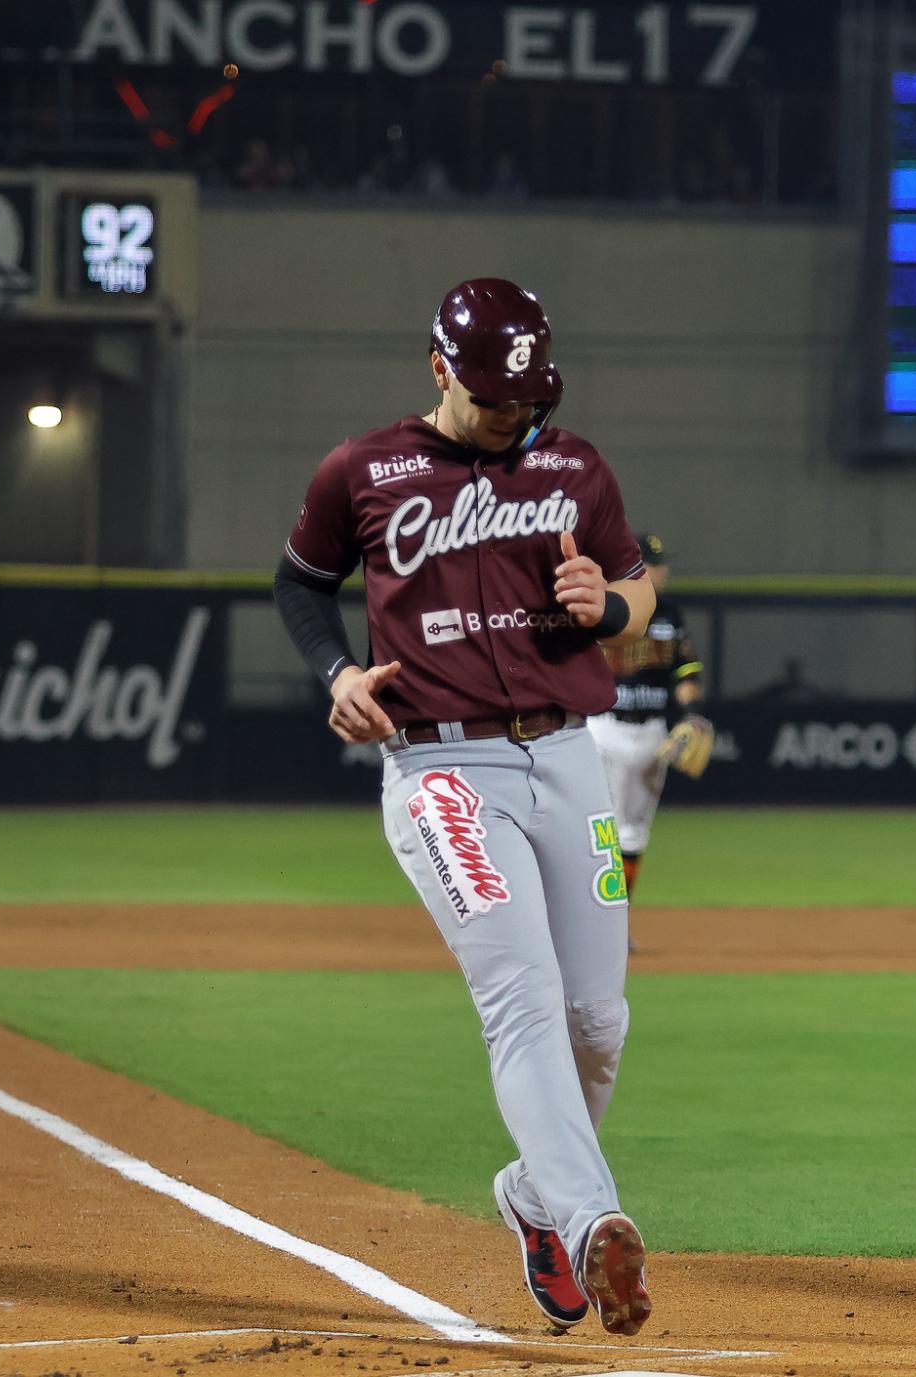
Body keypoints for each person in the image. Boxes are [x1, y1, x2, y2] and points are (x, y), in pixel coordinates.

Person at [271, 278, 657, 1337]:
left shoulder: (573, 464)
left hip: (570, 758)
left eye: (527, 396)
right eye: (494, 397)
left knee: (598, 1021)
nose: (513, 415)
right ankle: (589, 1223)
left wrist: (612, 607)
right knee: (524, 1000)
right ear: (438, 368)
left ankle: (533, 1199)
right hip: (441, 771)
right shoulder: (361, 471)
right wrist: (335, 676)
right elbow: (299, 583)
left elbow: (634, 587)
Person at [587, 532, 714, 949]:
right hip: (601, 728)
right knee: (596, 831)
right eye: (655, 563)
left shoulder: (670, 615)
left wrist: (692, 712)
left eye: (660, 563)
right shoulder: (598, 605)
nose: (663, 570)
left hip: (651, 734)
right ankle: (587, 924)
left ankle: (614, 926)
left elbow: (686, 674)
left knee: (633, 833)